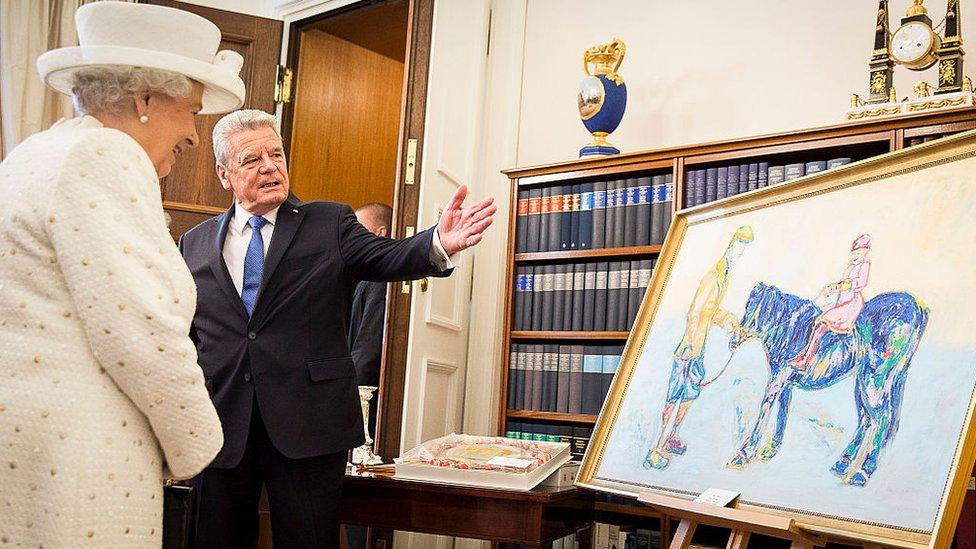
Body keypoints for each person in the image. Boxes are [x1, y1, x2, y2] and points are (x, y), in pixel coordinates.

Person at [178, 109, 495, 548]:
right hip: (222, 424)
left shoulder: (329, 223)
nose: (270, 166)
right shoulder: (192, 243)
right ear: (224, 174)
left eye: (276, 154)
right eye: (252, 160)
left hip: (309, 425)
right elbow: (190, 335)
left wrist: (437, 243)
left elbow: (387, 256)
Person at [0, 2, 245, 546]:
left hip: (27, 447)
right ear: (145, 99)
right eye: (192, 112)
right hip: (79, 458)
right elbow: (141, 329)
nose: (194, 136)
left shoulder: (34, 152)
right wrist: (196, 445)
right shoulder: (105, 155)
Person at [645, 226, 753, 470]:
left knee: (690, 393)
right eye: (739, 247)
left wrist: (727, 320)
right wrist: (692, 348)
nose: (740, 253)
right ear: (732, 245)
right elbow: (695, 312)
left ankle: (671, 436)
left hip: (698, 346)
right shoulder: (713, 276)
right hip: (690, 347)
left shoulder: (725, 274)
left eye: (744, 249)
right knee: (676, 395)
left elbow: (710, 311)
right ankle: (656, 448)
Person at [789, 234, 872, 370]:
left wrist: (841, 286)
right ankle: (807, 354)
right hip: (843, 300)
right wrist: (833, 288)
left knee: (821, 325)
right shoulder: (852, 265)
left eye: (858, 251)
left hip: (852, 303)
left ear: (864, 251)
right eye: (854, 252)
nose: (855, 254)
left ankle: (806, 360)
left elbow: (860, 283)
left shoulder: (864, 264)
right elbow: (844, 283)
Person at [349, 202, 395, 436]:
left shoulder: (380, 277)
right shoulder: (365, 274)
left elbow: (368, 345)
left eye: (358, 228)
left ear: (381, 233)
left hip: (365, 394)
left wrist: (347, 392)